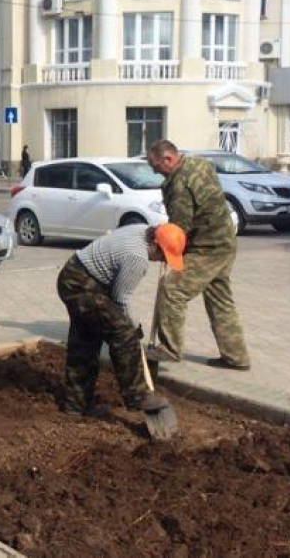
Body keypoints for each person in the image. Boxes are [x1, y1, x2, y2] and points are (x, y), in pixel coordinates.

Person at [57, 223, 183, 416]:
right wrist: (135, 327)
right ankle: (138, 395)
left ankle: (77, 405)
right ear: (155, 245)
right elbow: (120, 300)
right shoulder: (137, 257)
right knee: (124, 335)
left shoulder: (142, 230)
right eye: (163, 256)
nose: (161, 261)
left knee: (85, 341)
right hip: (82, 285)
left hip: (72, 275)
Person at [146, 140, 250, 371]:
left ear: (169, 159)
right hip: (225, 241)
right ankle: (236, 357)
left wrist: (161, 246)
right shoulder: (200, 164)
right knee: (219, 300)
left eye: (155, 165)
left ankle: (169, 349)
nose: (153, 170)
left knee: (172, 289)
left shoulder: (179, 184)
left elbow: (180, 228)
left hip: (207, 249)